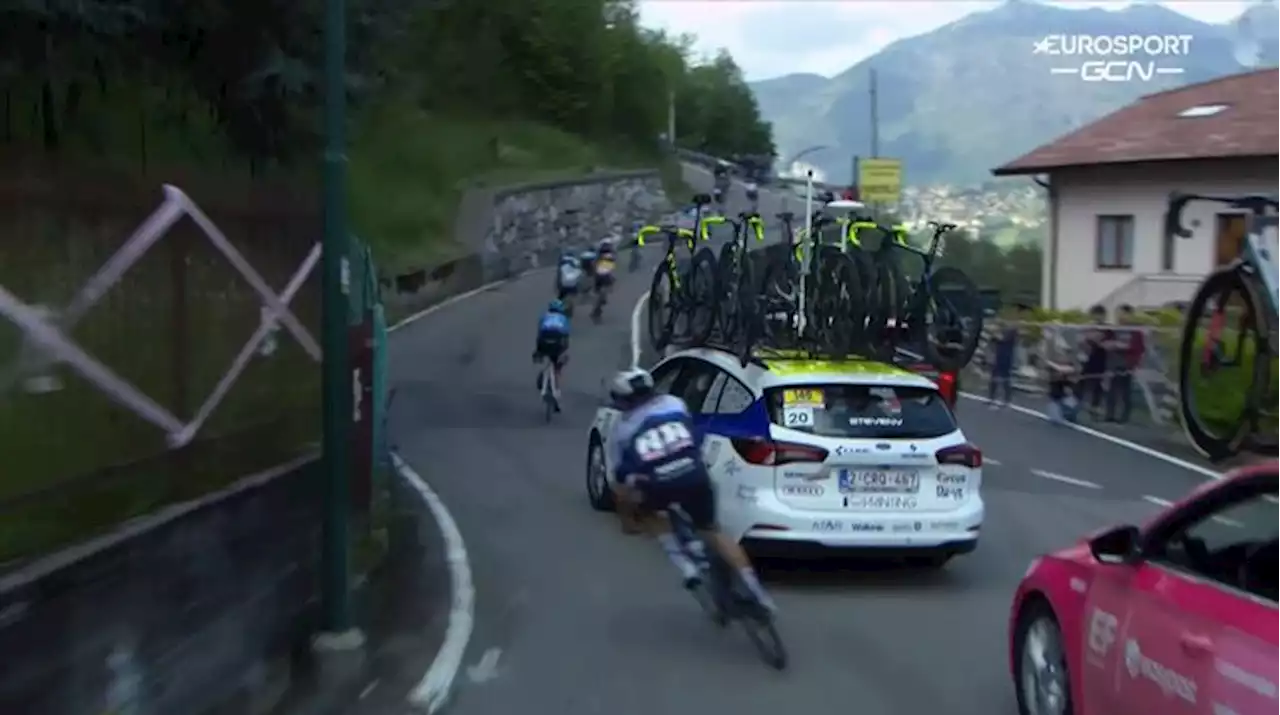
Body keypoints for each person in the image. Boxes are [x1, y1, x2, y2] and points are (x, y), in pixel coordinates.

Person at [606, 368, 776, 612]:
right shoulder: (675, 403)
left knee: (651, 514)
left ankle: (685, 565)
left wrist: (627, 519)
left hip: (658, 484)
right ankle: (759, 594)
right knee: (713, 530)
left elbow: (620, 485)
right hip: (693, 475)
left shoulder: (622, 429)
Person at [1106, 304, 1145, 423]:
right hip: (1114, 363)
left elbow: (1139, 348)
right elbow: (1106, 342)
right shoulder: (1113, 330)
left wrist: (1122, 346)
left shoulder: (1135, 331)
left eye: (1123, 314)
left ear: (1129, 315)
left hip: (1127, 364)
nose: (1120, 316)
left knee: (1125, 391)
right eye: (1118, 314)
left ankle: (1124, 416)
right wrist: (1109, 345)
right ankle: (1109, 415)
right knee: (1111, 390)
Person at [531, 300, 571, 409]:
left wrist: (538, 351)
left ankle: (543, 376)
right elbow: (566, 337)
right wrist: (564, 352)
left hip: (544, 341)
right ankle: (556, 389)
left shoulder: (544, 316)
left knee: (543, 352)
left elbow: (539, 333)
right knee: (558, 365)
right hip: (558, 342)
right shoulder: (564, 319)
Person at [987, 318, 1019, 409]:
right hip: (998, 359)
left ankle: (1007, 400)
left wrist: (995, 332)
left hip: (1006, 359)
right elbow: (992, 341)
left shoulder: (1010, 335)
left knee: (1006, 380)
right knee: (994, 380)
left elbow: (1001, 338)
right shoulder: (999, 335)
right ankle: (992, 399)